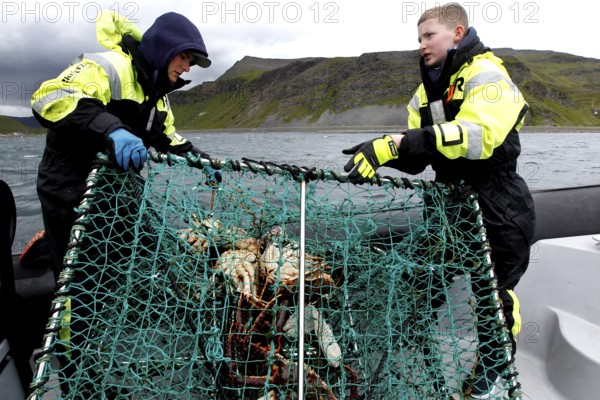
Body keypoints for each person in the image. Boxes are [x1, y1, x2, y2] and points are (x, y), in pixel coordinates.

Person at [342, 3, 535, 399]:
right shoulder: (424, 93)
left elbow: (478, 136)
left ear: (458, 33)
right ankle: (413, 345)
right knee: (426, 278)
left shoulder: (488, 75)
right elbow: (420, 155)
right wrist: (385, 153)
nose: (421, 45)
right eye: (418, 38)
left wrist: (399, 143)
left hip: (498, 202)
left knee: (493, 294)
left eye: (429, 36)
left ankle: (496, 366)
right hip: (447, 206)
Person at [32, 10, 218, 278]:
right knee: (77, 274)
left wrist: (203, 161)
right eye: (184, 57)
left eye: (191, 62)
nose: (187, 68)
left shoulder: (158, 98)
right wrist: (113, 129)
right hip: (68, 185)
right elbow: (49, 98)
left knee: (123, 264)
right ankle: (70, 312)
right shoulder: (107, 67)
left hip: (118, 191)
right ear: (164, 48)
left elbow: (169, 138)